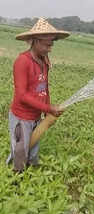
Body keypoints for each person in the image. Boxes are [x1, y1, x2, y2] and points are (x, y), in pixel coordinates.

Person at [6, 18, 69, 172]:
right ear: (35, 41)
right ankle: (16, 179)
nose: (50, 49)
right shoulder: (22, 62)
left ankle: (32, 174)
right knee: (21, 151)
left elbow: (44, 87)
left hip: (36, 116)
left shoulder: (44, 60)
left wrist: (48, 111)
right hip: (22, 116)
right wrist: (48, 107)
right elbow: (22, 95)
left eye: (51, 44)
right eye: (47, 45)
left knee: (32, 151)